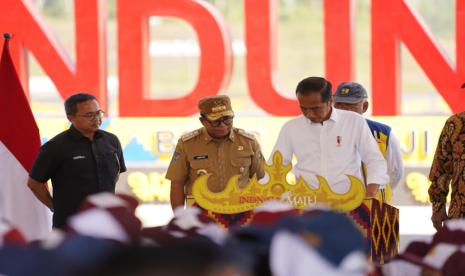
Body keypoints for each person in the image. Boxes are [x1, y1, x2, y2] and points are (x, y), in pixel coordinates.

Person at [270, 76, 388, 198]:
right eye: (304, 108)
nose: (309, 114)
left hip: (349, 201)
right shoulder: (291, 127)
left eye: (316, 109)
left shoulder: (354, 121)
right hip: (306, 203)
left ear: (330, 101)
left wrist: (369, 195)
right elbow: (275, 166)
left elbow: (374, 160)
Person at [27, 93, 126, 229]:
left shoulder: (111, 141)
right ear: (70, 117)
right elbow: (34, 183)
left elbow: (115, 174)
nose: (96, 119)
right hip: (71, 224)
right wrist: (55, 207)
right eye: (89, 115)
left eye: (98, 113)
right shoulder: (55, 147)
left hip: (106, 222)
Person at [166, 95, 265, 210]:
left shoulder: (249, 142)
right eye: (215, 121)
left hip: (240, 212)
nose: (222, 125)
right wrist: (180, 218)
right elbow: (177, 184)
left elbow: (262, 180)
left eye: (227, 119)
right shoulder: (187, 144)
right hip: (200, 213)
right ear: (203, 121)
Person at [333, 81, 404, 202]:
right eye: (339, 104)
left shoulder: (384, 134)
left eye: (350, 104)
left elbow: (395, 173)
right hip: (337, 208)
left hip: (375, 209)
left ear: (364, 106)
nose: (343, 109)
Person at [429, 113, 465, 231]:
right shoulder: (455, 124)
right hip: (460, 217)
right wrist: (438, 207)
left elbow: (440, 169)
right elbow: (441, 168)